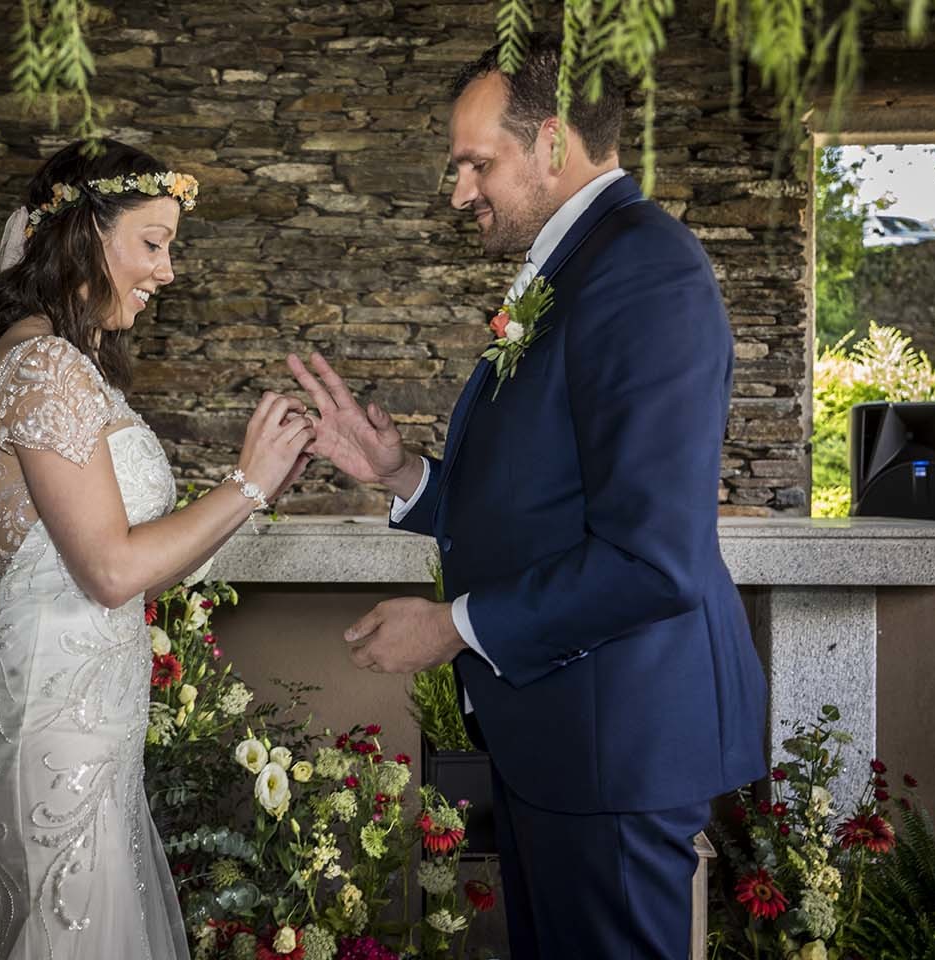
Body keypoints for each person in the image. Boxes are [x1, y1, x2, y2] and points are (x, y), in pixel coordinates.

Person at [288, 34, 768, 959]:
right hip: (564, 736)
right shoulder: (578, 264)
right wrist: (401, 475)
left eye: (477, 163)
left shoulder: (645, 272)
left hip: (614, 742)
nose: (460, 190)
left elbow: (649, 559)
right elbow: (542, 505)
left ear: (553, 143)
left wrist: (451, 627)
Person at [0, 139, 314, 960]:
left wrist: (247, 494)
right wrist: (247, 485)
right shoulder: (44, 366)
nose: (168, 271)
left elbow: (130, 560)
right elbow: (109, 571)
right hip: (49, 732)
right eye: (154, 240)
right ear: (83, 235)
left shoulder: (61, 363)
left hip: (73, 721)